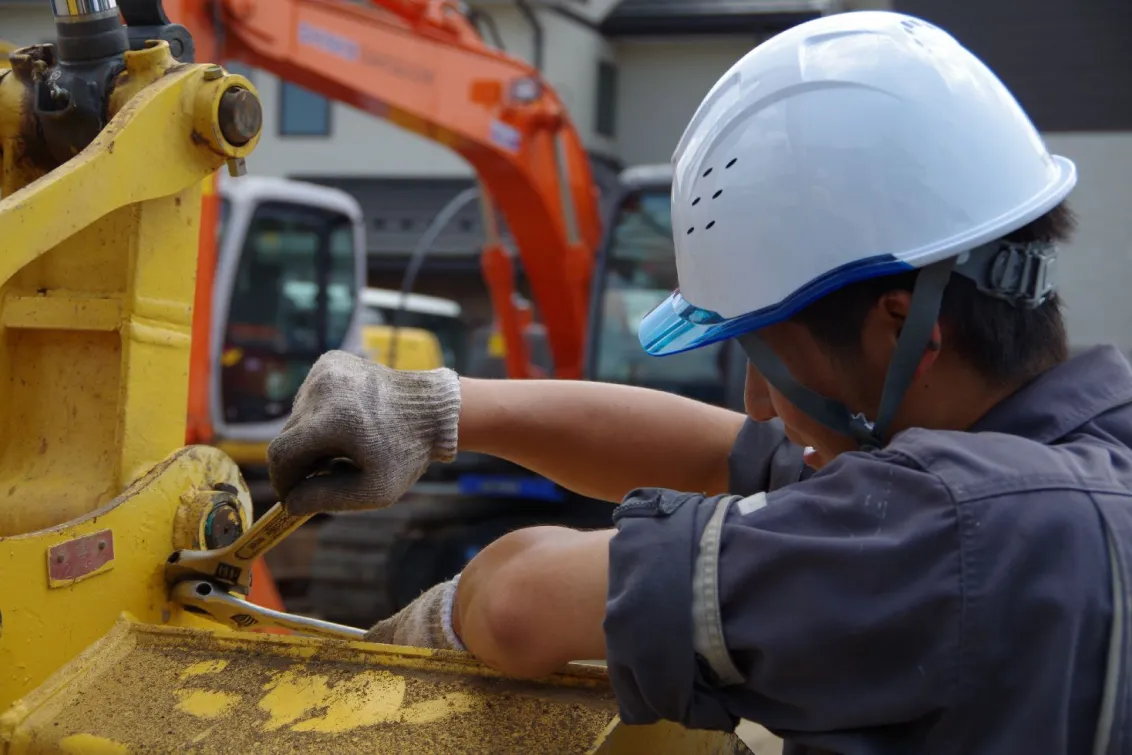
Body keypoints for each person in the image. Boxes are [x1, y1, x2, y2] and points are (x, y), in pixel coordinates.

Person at [266, 10, 1132, 755]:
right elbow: (723, 453)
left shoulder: (950, 533)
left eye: (764, 354)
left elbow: (525, 602)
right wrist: (438, 408)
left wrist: (450, 614)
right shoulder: (1061, 471)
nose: (757, 401)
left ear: (905, 325)